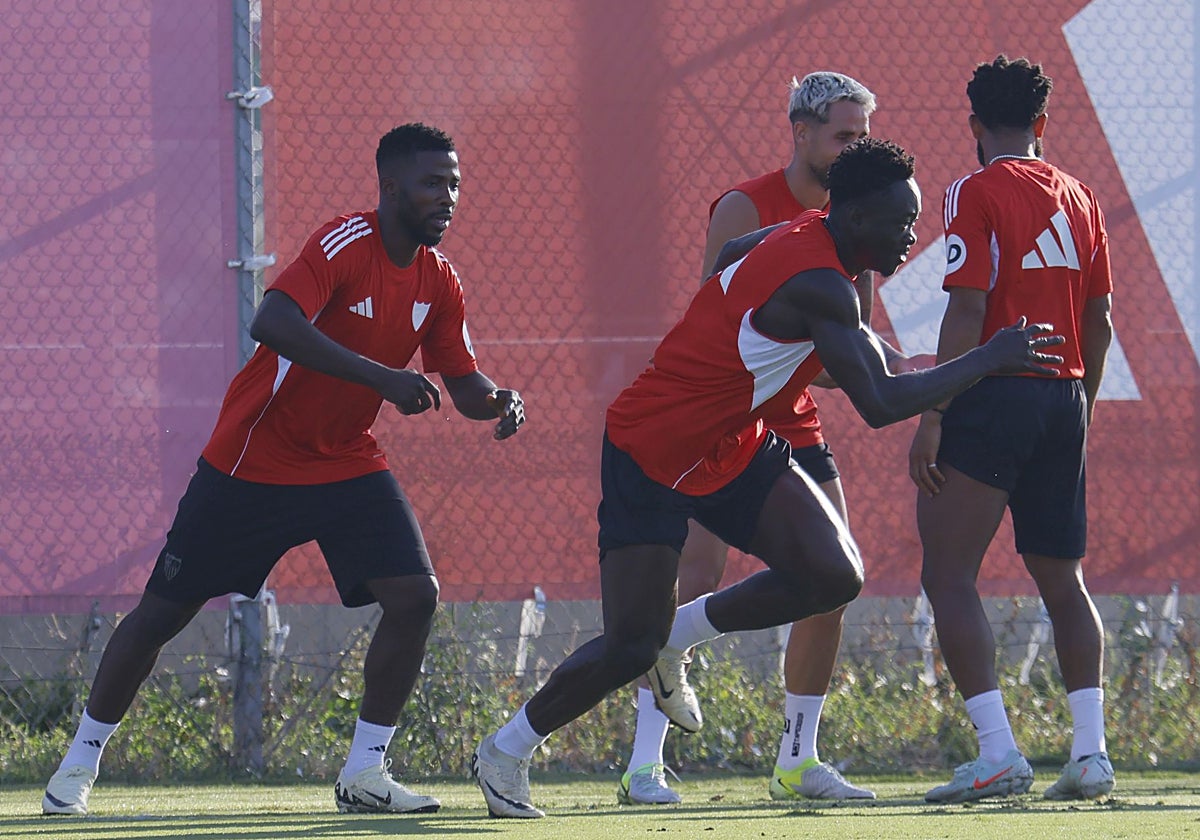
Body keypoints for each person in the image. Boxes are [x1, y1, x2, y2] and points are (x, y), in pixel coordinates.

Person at [471, 137, 1065, 819]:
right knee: (628, 642)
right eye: (902, 221)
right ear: (859, 216)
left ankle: (679, 637)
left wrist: (727, 339)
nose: (912, 236)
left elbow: (737, 264)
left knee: (834, 573)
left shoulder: (808, 237)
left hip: (731, 441)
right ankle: (506, 751)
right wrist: (987, 357)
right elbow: (876, 405)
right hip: (651, 448)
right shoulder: (822, 285)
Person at [41, 123, 526, 817]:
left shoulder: (440, 281)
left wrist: (499, 401)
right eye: (431, 184)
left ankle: (364, 773)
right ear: (390, 188)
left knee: (415, 595)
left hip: (347, 462)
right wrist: (384, 378)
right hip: (254, 461)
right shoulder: (345, 244)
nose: (447, 197)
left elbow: (465, 382)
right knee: (161, 615)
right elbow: (271, 319)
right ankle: (78, 766)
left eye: (453, 183)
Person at [620, 70, 890, 807]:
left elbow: (844, 357)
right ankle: (646, 762)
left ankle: (798, 759)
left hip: (795, 419)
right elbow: (723, 321)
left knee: (836, 579)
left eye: (862, 136)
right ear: (801, 133)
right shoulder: (745, 206)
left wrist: (915, 376)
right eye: (843, 134)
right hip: (727, 420)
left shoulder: (860, 217)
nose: (854, 147)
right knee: (698, 576)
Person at [909, 56, 1115, 804]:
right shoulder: (1082, 193)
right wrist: (1081, 403)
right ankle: (1090, 754)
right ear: (1042, 123)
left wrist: (932, 412)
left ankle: (997, 751)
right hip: (1064, 397)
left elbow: (967, 310)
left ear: (973, 127)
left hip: (996, 394)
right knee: (1064, 580)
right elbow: (1100, 320)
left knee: (947, 572)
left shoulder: (974, 188)